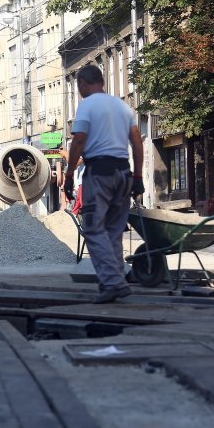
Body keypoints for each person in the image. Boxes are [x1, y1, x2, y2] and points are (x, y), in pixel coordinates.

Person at [63, 64, 144, 304]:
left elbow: (78, 141)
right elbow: (137, 143)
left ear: (82, 84)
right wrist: (138, 177)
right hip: (123, 173)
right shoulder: (122, 106)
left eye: (78, 86)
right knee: (113, 231)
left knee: (93, 228)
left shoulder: (87, 105)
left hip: (100, 174)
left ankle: (113, 283)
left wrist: (68, 176)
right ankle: (114, 279)